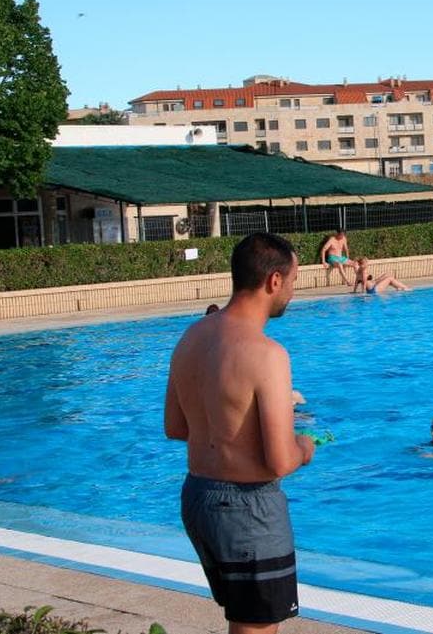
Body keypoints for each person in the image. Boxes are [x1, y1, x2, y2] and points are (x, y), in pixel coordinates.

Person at [165, 232, 316, 633]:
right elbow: (280, 460)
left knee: (243, 620)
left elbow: (176, 427)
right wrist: (304, 446)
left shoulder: (191, 337)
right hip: (248, 509)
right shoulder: (267, 354)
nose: (293, 292)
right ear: (274, 282)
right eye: (295, 280)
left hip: (198, 497)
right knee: (257, 626)